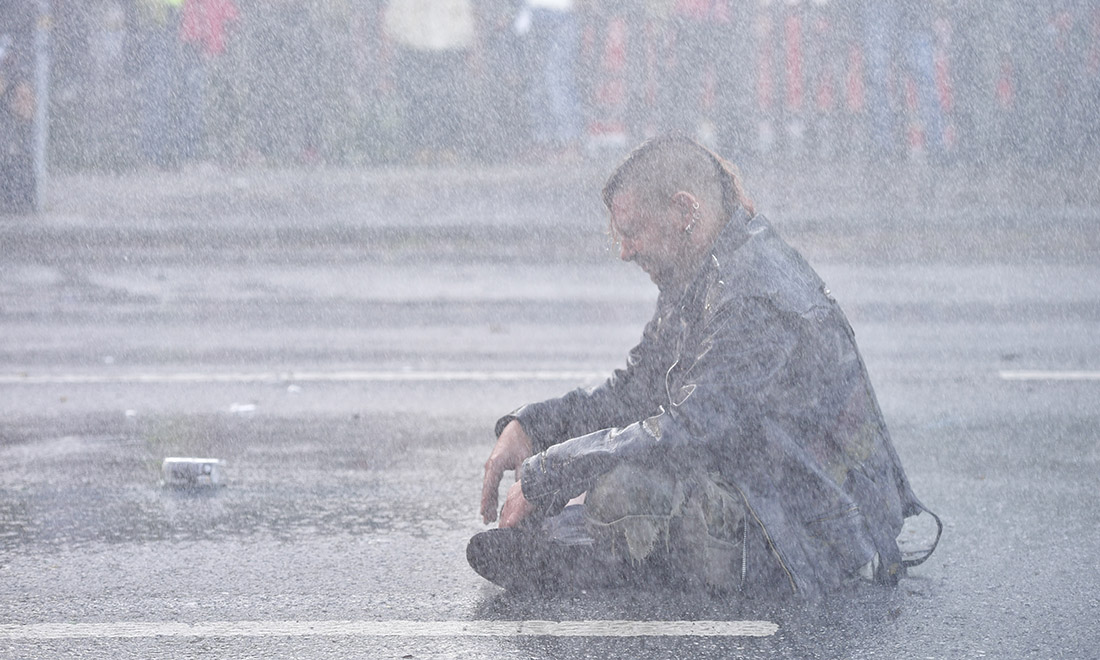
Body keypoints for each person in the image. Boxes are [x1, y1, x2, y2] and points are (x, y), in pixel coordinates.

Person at [468, 134, 940, 597]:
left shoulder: (750, 293)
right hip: (777, 489)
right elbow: (637, 390)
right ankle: (577, 544)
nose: (624, 250)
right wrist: (532, 428)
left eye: (632, 232)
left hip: (815, 534)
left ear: (685, 212)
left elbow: (688, 429)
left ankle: (599, 562)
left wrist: (549, 473)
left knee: (623, 491)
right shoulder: (701, 270)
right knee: (603, 482)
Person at [0, 0, 37, 214]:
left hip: (12, 83)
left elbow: (26, 49)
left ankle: (18, 194)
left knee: (21, 109)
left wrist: (19, 80)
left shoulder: (19, 10)